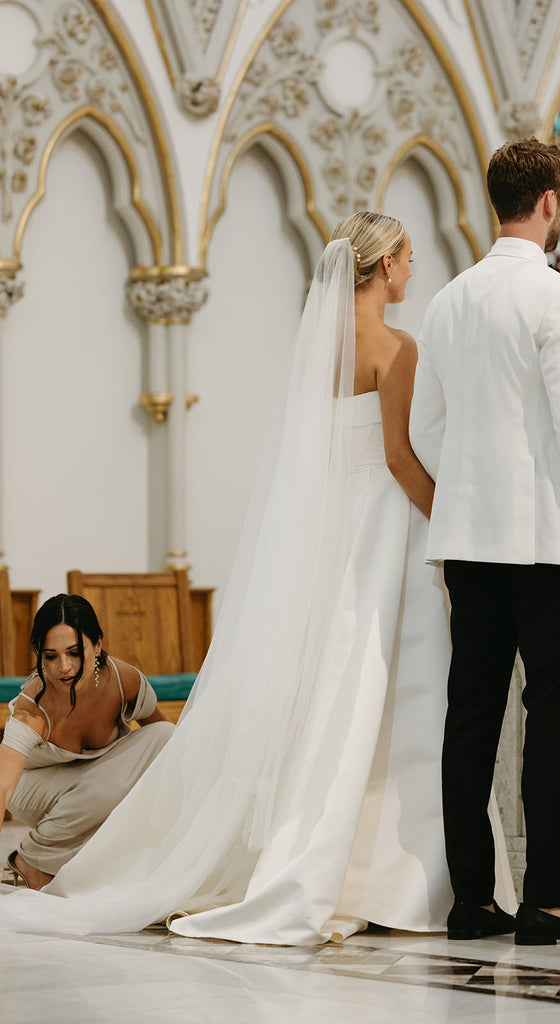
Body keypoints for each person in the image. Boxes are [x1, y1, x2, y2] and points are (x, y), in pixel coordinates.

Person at [0, 214, 514, 942]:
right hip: (388, 533)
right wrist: (457, 526)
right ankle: (392, 878)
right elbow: (400, 461)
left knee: (331, 705)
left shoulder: (319, 347)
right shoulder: (397, 348)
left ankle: (318, 852)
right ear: (382, 267)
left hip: (331, 534)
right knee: (402, 705)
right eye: (405, 257)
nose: (410, 270)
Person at [410, 138, 560, 945]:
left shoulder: (446, 301)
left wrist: (470, 490)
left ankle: (472, 900)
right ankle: (549, 898)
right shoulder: (556, 297)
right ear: (549, 202)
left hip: (466, 543)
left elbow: (424, 428)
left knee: (469, 717)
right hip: (545, 542)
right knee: (552, 719)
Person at [0, 594, 173, 889]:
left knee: (166, 737)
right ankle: (33, 859)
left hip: (98, 782)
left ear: (98, 645)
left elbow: (164, 739)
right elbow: (3, 785)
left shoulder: (123, 679)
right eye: (50, 656)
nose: (64, 667)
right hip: (35, 789)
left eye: (75, 652)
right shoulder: (33, 709)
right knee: (110, 785)